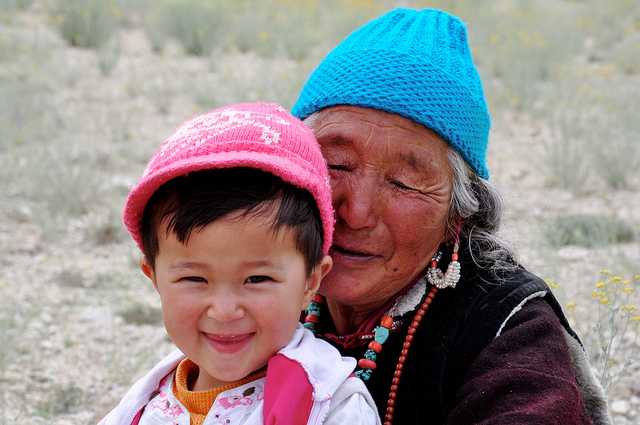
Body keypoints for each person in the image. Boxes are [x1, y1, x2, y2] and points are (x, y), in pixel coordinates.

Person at [291, 8, 611, 425]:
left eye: (404, 183)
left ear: (459, 211)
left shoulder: (510, 331)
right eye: (335, 163)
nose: (358, 212)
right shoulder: (256, 274)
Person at [99, 103, 380, 425]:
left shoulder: (329, 404)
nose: (224, 310)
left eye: (257, 279)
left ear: (311, 281)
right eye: (194, 279)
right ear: (154, 278)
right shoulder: (146, 398)